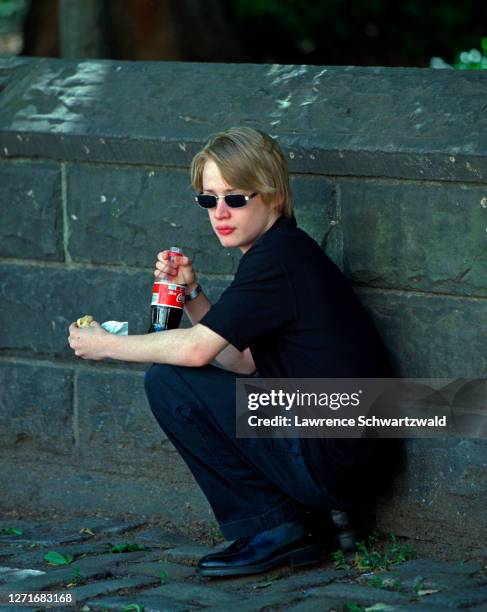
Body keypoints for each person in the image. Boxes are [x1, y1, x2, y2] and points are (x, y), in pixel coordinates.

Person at [68, 126, 399, 578]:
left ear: (274, 197)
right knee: (187, 378)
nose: (220, 213)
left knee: (169, 381)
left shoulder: (278, 257)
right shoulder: (281, 252)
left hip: (339, 458)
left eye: (236, 198)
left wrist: (105, 345)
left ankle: (277, 528)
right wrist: (193, 295)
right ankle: (305, 521)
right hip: (350, 454)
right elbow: (243, 362)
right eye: (209, 199)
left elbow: (198, 352)